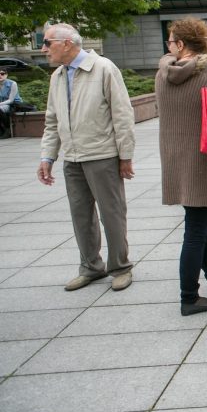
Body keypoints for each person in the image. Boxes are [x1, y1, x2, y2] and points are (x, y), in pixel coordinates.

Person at [37, 23, 135, 292]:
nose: (43, 48)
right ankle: (91, 266)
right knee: (81, 215)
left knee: (112, 213)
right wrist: (48, 156)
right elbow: (52, 120)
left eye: (47, 42)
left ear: (66, 43)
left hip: (102, 154)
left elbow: (123, 114)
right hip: (72, 157)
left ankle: (120, 266)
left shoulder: (103, 68)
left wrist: (125, 156)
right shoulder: (57, 76)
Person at [156, 18, 207, 316]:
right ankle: (189, 297)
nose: (169, 46)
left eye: (170, 41)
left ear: (181, 45)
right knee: (195, 227)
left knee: (197, 217)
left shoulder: (162, 73)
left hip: (174, 158)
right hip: (202, 157)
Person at [0, 69, 22, 139]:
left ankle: (7, 129)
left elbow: (11, 100)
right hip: (2, 104)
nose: (0, 75)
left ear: (6, 75)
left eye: (2, 74)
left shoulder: (13, 84)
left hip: (13, 104)